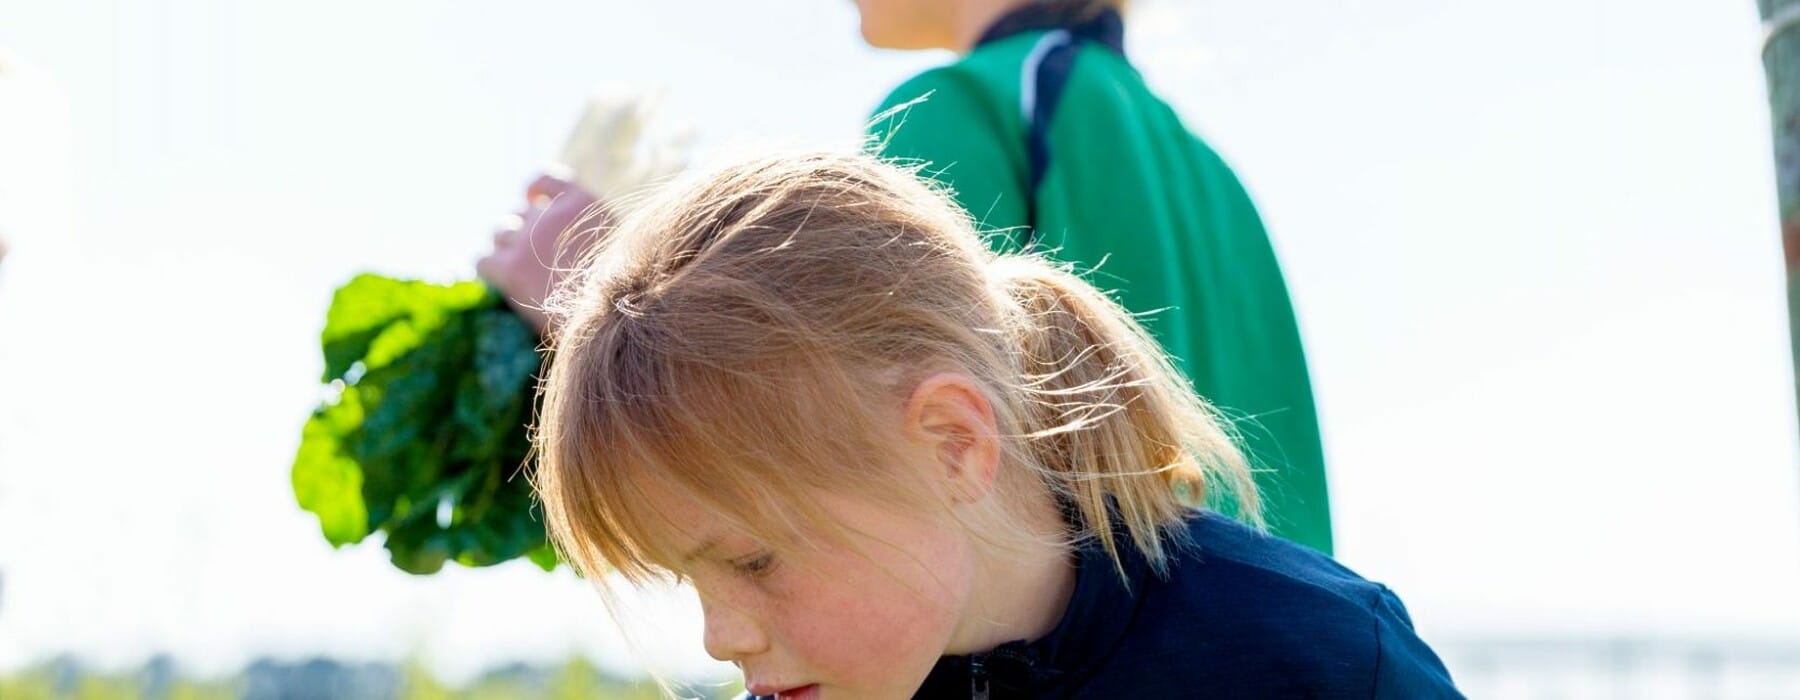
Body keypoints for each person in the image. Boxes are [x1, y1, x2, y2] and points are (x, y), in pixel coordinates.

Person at [532, 152, 1459, 699]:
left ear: (952, 442)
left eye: (753, 561)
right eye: (685, 577)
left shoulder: (1322, 659)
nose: (719, 639)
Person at [860, 0, 1335, 553]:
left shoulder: (951, 107)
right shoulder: (1211, 171)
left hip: (1089, 625)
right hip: (1279, 621)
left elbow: (904, 453)